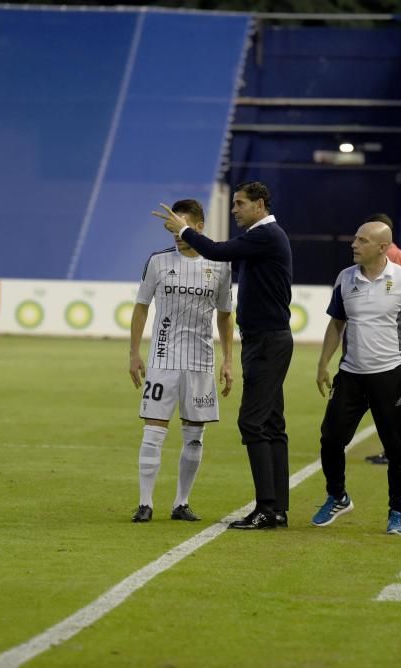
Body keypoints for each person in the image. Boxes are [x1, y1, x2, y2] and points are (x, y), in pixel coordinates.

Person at [155, 181, 293, 530]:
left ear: (259, 205)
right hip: (268, 340)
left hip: (266, 342)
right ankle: (277, 508)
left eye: (240, 203)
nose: (234, 210)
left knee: (253, 422)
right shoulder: (266, 237)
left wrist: (183, 228)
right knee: (273, 423)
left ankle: (265, 508)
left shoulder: (265, 234)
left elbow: (216, 251)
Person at [312, 220, 401, 535]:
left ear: (382, 248)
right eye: (354, 238)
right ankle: (337, 496)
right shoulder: (345, 279)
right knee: (330, 439)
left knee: (396, 450)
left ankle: (397, 511)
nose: (354, 244)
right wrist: (324, 363)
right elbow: (336, 324)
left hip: (390, 376)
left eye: (362, 240)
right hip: (350, 376)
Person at [129, 199, 234, 523]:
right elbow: (142, 306)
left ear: (199, 227)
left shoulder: (219, 265)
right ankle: (145, 503)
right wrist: (134, 353)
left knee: (194, 434)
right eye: (171, 226)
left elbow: (226, 314)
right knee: (153, 430)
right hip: (163, 358)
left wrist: (229, 360)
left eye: (181, 225)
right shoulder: (159, 262)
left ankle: (181, 503)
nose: (175, 233)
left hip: (201, 362)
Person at [363, 213, 401, 465]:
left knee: (388, 399)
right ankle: (392, 449)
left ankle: (393, 450)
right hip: (387, 332)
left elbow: (395, 291)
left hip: (387, 335)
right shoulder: (397, 252)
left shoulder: (393, 255)